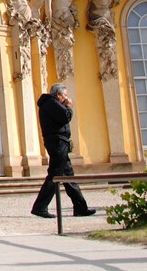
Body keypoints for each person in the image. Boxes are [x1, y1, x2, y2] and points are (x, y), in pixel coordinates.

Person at [31, 83, 95, 219]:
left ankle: (80, 207)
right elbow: (65, 117)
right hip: (58, 142)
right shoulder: (52, 103)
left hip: (59, 142)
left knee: (68, 176)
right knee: (54, 175)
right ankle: (40, 207)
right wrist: (68, 106)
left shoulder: (51, 103)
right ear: (58, 95)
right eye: (64, 95)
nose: (66, 98)